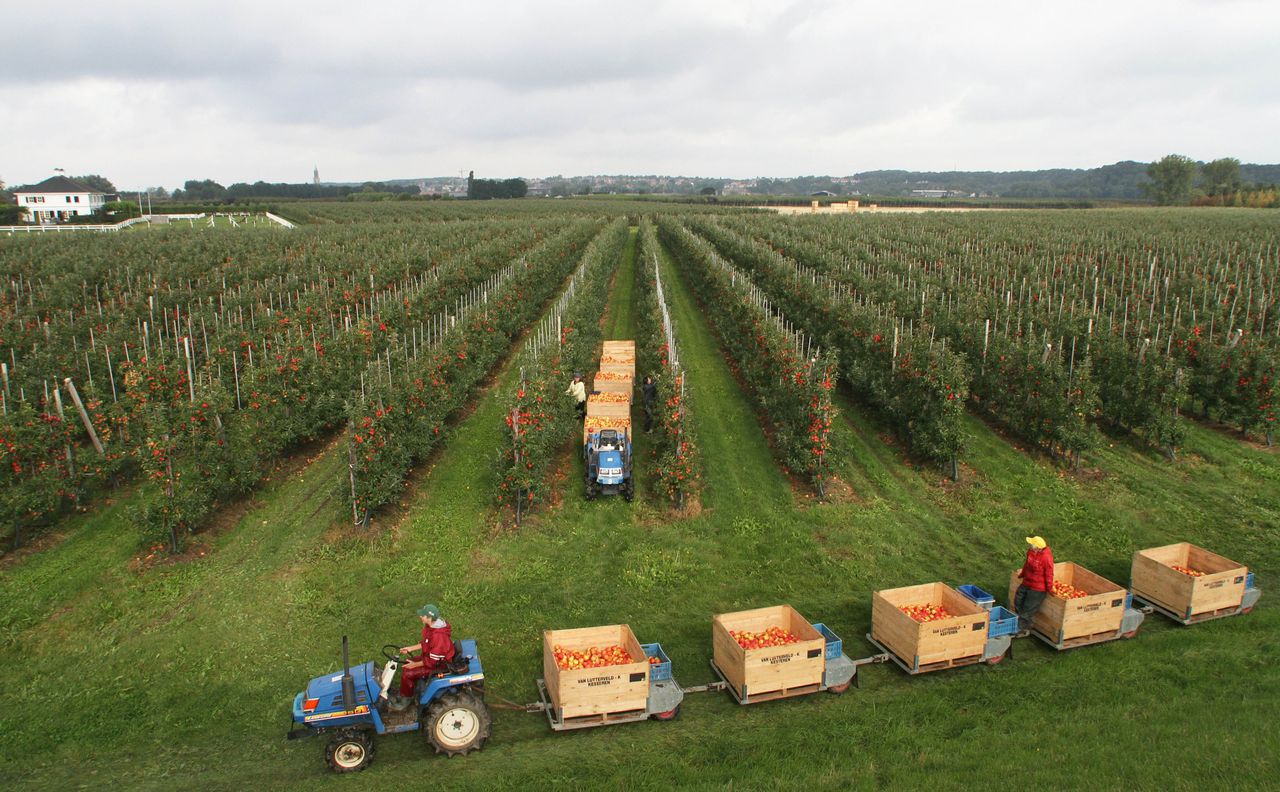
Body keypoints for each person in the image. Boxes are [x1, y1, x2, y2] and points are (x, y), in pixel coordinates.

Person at [397, 603, 455, 700]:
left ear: (429, 618)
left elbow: (433, 662)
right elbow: (426, 643)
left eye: (423, 615)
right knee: (408, 662)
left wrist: (415, 665)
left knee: (407, 674)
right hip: (430, 658)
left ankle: (406, 698)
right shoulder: (432, 628)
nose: (420, 616)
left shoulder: (439, 637)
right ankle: (413, 687)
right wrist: (410, 648)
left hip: (439, 664)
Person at [1013, 536, 1054, 637]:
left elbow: (1049, 573)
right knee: (1018, 599)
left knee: (1028, 608)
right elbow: (1027, 564)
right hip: (1027, 581)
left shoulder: (1046, 557)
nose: (1030, 545)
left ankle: (1023, 629)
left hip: (1038, 587)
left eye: (1032, 544)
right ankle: (1025, 622)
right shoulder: (1031, 552)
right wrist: (1022, 574)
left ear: (1038, 547)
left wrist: (1049, 588)